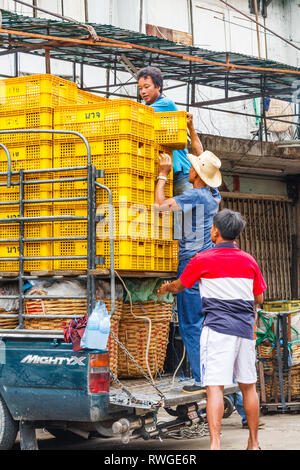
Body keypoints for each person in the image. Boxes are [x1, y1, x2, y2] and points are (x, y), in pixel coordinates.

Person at [157, 209, 267, 450]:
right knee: (248, 386)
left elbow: (180, 285)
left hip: (217, 331)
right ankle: (254, 443)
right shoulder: (249, 260)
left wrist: (166, 287)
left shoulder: (202, 259)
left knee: (214, 387)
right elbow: (258, 298)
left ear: (215, 231)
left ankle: (215, 445)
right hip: (246, 332)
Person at [154, 150, 222, 393]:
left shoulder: (197, 195)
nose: (188, 168)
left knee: (191, 325)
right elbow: (200, 153)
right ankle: (230, 397)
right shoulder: (214, 194)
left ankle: (201, 379)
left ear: (197, 174)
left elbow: (160, 206)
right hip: (208, 263)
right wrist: (192, 129)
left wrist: (162, 175)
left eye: (192, 166)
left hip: (192, 264)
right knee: (207, 325)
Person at [137, 66, 202, 195]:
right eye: (140, 88)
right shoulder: (145, 108)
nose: (143, 91)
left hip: (180, 172)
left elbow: (137, 114)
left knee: (190, 211)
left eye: (147, 86)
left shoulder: (165, 104)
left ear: (158, 87)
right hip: (165, 170)